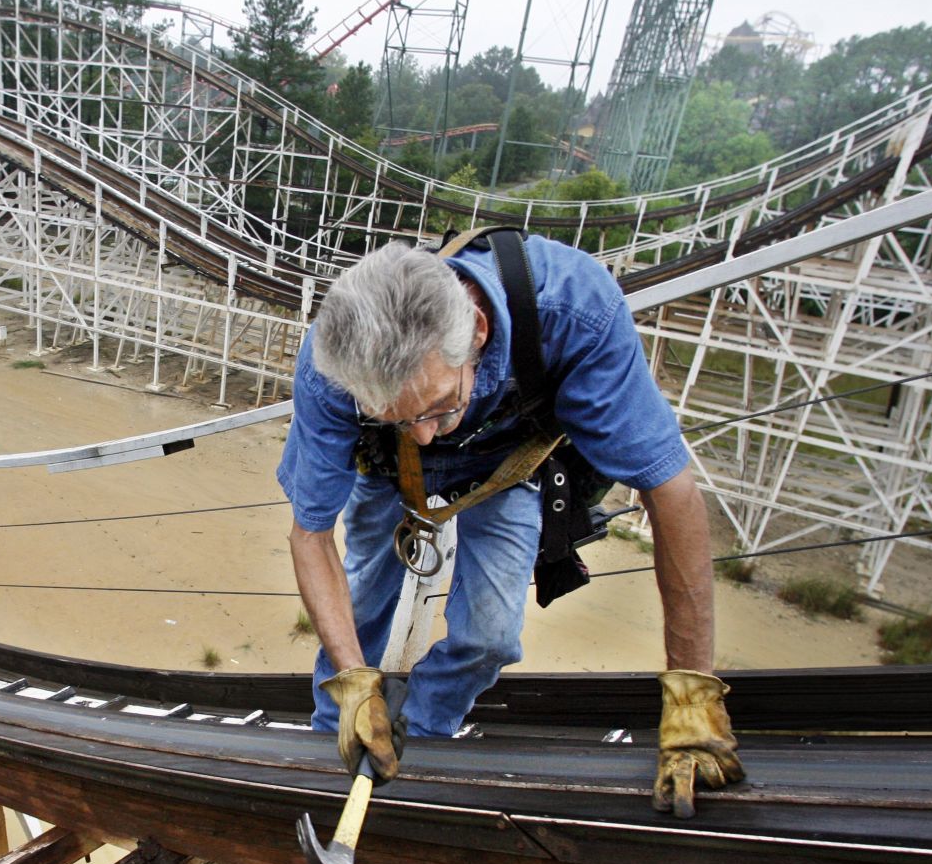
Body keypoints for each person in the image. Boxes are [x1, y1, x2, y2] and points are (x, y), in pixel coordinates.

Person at [277, 234, 743, 817]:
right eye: (399, 415)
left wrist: (692, 690)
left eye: (439, 405)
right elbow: (310, 533)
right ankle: (339, 735)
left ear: (477, 330)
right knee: (365, 597)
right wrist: (351, 678)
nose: (426, 434)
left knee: (489, 636)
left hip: (505, 463)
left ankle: (418, 737)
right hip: (384, 467)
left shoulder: (573, 308)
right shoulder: (333, 363)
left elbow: (671, 491)